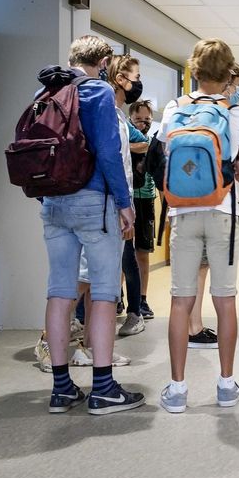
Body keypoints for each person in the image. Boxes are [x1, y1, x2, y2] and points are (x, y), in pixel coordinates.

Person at [39, 35, 144, 415]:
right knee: (103, 292)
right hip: (94, 201)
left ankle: (61, 387)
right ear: (103, 61)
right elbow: (108, 152)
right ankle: (103, 387)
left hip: (53, 203)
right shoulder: (97, 91)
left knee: (60, 291)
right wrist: (124, 202)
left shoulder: (47, 90)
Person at [158, 39, 239, 414]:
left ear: (194, 71)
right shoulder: (237, 113)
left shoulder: (174, 109)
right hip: (223, 213)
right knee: (225, 299)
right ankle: (226, 385)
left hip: (181, 214)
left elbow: (163, 153)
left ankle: (178, 389)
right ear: (229, 72)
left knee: (181, 301)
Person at [184, 64, 239, 350]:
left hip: (185, 204)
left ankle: (191, 326)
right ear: (226, 83)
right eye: (235, 84)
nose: (236, 90)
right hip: (220, 205)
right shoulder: (235, 115)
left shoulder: (182, 107)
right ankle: (200, 333)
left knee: (191, 276)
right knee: (222, 288)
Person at [108, 54, 150, 337]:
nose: (138, 82)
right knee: (97, 272)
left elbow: (143, 143)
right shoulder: (106, 112)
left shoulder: (121, 117)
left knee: (127, 259)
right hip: (108, 202)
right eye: (135, 77)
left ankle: (134, 311)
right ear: (121, 79)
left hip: (123, 202)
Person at [128, 99, 158, 320]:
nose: (142, 123)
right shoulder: (124, 133)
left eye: (147, 119)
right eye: (138, 119)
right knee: (123, 252)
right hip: (127, 201)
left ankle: (142, 299)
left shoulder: (153, 140)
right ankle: (119, 297)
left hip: (147, 199)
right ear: (130, 119)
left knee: (143, 253)